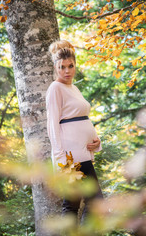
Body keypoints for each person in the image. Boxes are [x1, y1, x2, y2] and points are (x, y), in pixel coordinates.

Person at [46, 40, 103, 223]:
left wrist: (96, 141)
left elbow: (81, 119)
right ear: (55, 67)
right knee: (94, 202)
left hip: (83, 152)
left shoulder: (74, 88)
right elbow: (52, 125)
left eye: (70, 66)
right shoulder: (55, 88)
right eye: (62, 67)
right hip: (71, 156)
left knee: (72, 204)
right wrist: (61, 158)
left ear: (75, 65)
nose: (67, 71)